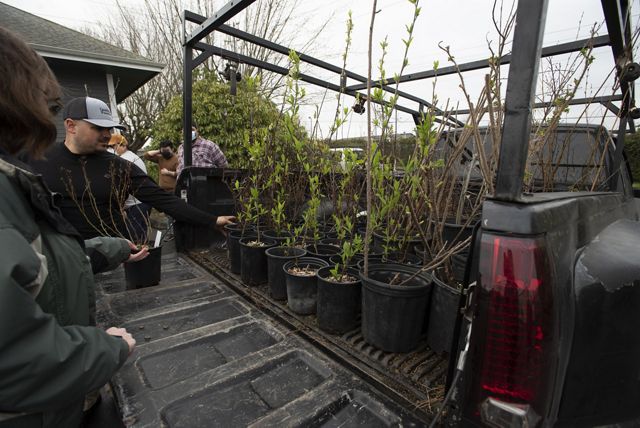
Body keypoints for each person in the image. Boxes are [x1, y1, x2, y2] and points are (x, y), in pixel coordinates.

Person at [0, 26, 143, 427]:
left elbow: (40, 262)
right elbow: (13, 358)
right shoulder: (33, 169)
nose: (108, 136)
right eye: (47, 106)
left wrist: (114, 247)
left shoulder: (114, 168)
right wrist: (102, 349)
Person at [30, 97, 236, 242]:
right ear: (71, 125)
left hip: (113, 260)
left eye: (109, 129)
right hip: (62, 262)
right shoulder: (36, 159)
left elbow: (164, 200)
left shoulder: (119, 167)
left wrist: (212, 220)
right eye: (98, 128)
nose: (107, 135)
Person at [108, 133, 152, 243]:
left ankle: (140, 257)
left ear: (122, 145)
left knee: (135, 237)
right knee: (140, 235)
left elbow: (121, 186)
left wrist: (120, 206)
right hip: (141, 202)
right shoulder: (129, 156)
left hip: (136, 204)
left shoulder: (125, 159)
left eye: (111, 147)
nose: (109, 150)